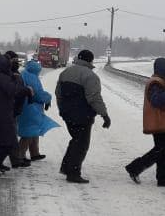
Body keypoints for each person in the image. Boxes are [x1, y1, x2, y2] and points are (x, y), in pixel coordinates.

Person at [56, 50, 111, 184]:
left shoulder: (65, 72)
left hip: (68, 114)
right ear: (90, 61)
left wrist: (62, 109)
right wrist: (104, 114)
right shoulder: (90, 76)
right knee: (81, 144)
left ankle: (67, 168)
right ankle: (73, 173)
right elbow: (94, 98)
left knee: (76, 140)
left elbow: (58, 93)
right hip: (82, 115)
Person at [125, 57, 165, 187]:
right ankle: (135, 168)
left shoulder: (161, 80)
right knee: (161, 151)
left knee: (164, 151)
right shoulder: (156, 82)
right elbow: (157, 101)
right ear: (163, 68)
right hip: (160, 121)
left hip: (164, 121)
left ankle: (163, 179)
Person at [0, 53, 30, 175]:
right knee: (9, 141)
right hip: (2, 111)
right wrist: (26, 89)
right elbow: (14, 91)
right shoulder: (3, 78)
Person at [16, 58, 59, 163]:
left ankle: (34, 153)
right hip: (30, 108)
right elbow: (37, 95)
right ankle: (19, 156)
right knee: (29, 132)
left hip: (26, 106)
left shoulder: (25, 74)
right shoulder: (32, 77)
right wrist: (48, 97)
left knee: (33, 131)